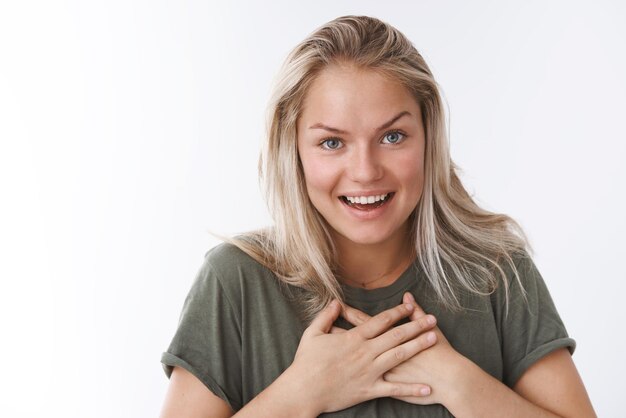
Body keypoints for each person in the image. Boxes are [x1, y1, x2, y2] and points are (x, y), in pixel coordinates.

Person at [159, 15, 596, 418]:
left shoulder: (496, 272)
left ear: (429, 138)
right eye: (332, 142)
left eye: (392, 136)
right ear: (292, 151)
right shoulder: (234, 282)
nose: (366, 171)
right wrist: (300, 394)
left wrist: (458, 382)